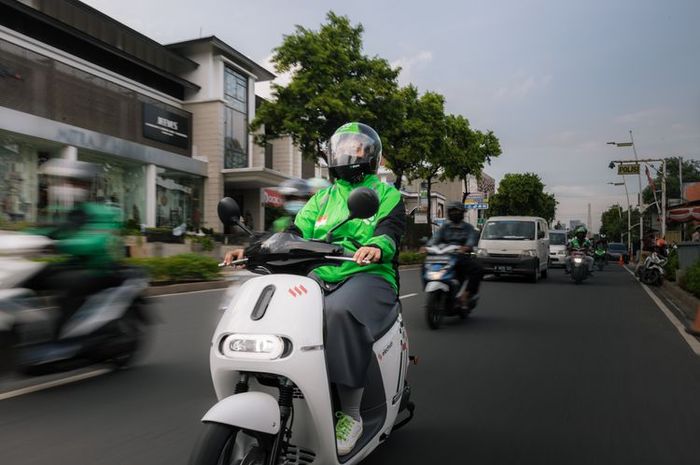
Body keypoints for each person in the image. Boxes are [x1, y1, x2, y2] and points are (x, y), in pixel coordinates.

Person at [224, 122, 405, 455]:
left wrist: (377, 246)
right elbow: (291, 234)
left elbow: (389, 231)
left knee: (339, 311)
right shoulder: (321, 198)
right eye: (343, 147)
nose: (349, 153)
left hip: (368, 273)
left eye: (357, 147)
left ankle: (351, 414)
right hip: (320, 274)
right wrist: (250, 250)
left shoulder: (386, 195)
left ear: (371, 155)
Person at [25, 158, 124, 337]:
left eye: (73, 182)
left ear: (86, 186)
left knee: (70, 285)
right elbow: (52, 231)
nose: (66, 186)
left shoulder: (103, 212)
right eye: (64, 182)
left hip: (99, 269)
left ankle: (66, 337)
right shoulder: (73, 213)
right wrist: (19, 238)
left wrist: (58, 245)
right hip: (75, 265)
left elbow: (95, 242)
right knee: (34, 274)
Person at [427, 200, 482, 307]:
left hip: (461, 257)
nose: (454, 213)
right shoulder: (444, 227)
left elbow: (471, 240)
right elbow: (435, 239)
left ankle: (466, 294)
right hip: (444, 257)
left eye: (456, 211)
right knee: (426, 266)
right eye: (452, 211)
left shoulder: (468, 228)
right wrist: (427, 247)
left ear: (462, 213)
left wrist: (466, 247)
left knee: (477, 269)